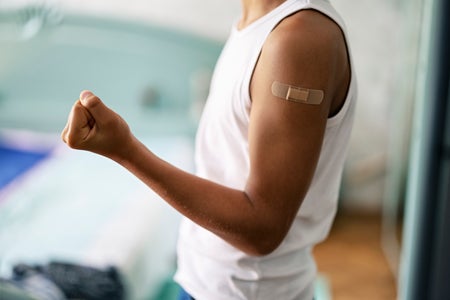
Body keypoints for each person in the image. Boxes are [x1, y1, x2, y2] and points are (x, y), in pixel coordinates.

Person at [61, 0, 356, 299]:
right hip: (204, 279)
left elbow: (262, 229)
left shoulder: (298, 39)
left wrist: (125, 150)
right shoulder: (255, 21)